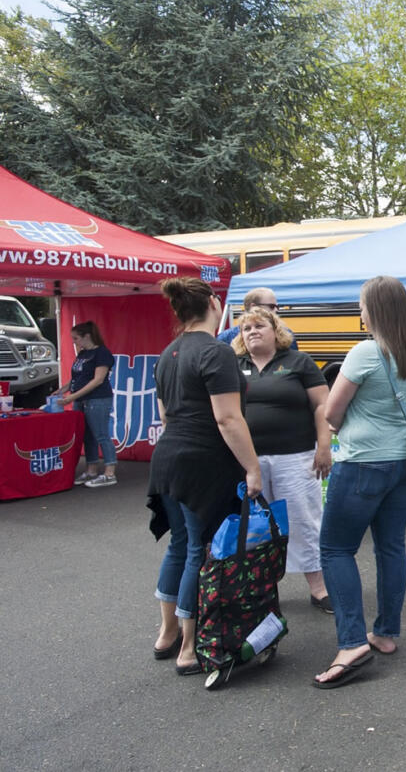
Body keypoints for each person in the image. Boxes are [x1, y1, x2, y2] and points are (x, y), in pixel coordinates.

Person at [314, 275, 406, 689]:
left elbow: (331, 412)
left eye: (362, 304)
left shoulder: (365, 352)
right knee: (391, 547)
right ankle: (384, 633)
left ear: (374, 310)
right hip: (403, 463)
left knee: (336, 549)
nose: (359, 311)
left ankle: (350, 642)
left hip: (362, 463)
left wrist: (347, 426)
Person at [147, 277, 262, 676]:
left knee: (179, 545)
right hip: (202, 464)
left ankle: (167, 634)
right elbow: (227, 418)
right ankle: (189, 648)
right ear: (214, 303)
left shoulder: (168, 353)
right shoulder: (217, 352)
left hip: (167, 458)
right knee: (200, 549)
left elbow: (165, 414)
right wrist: (252, 467)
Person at [232, 307, 333, 613]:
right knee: (255, 527)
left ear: (275, 330)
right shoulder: (233, 366)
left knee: (304, 521)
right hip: (250, 460)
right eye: (245, 328)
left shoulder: (298, 362)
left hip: (296, 456)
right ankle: (261, 590)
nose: (252, 332)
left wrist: (324, 446)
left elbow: (321, 404)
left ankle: (319, 589)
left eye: (259, 326)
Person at [53, 321, 117, 488]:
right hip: (81, 399)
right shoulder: (82, 354)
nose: (74, 342)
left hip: (97, 399)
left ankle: (110, 472)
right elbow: (76, 378)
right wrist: (62, 390)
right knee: (87, 436)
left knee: (101, 434)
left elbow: (98, 380)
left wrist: (71, 397)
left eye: (76, 338)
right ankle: (92, 469)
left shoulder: (102, 353)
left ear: (87, 336)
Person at [216, 287, 297, 348]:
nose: (276, 310)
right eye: (271, 306)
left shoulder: (285, 335)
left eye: (277, 307)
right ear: (253, 307)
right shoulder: (225, 338)